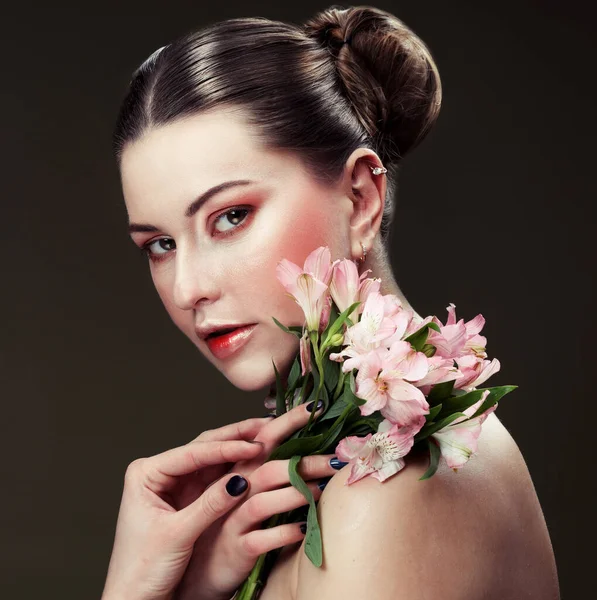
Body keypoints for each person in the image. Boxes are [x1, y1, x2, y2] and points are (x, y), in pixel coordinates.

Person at [103, 5, 560, 600]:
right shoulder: (338, 469)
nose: (188, 289)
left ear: (362, 195)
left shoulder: (393, 482)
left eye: (231, 216)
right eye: (160, 245)